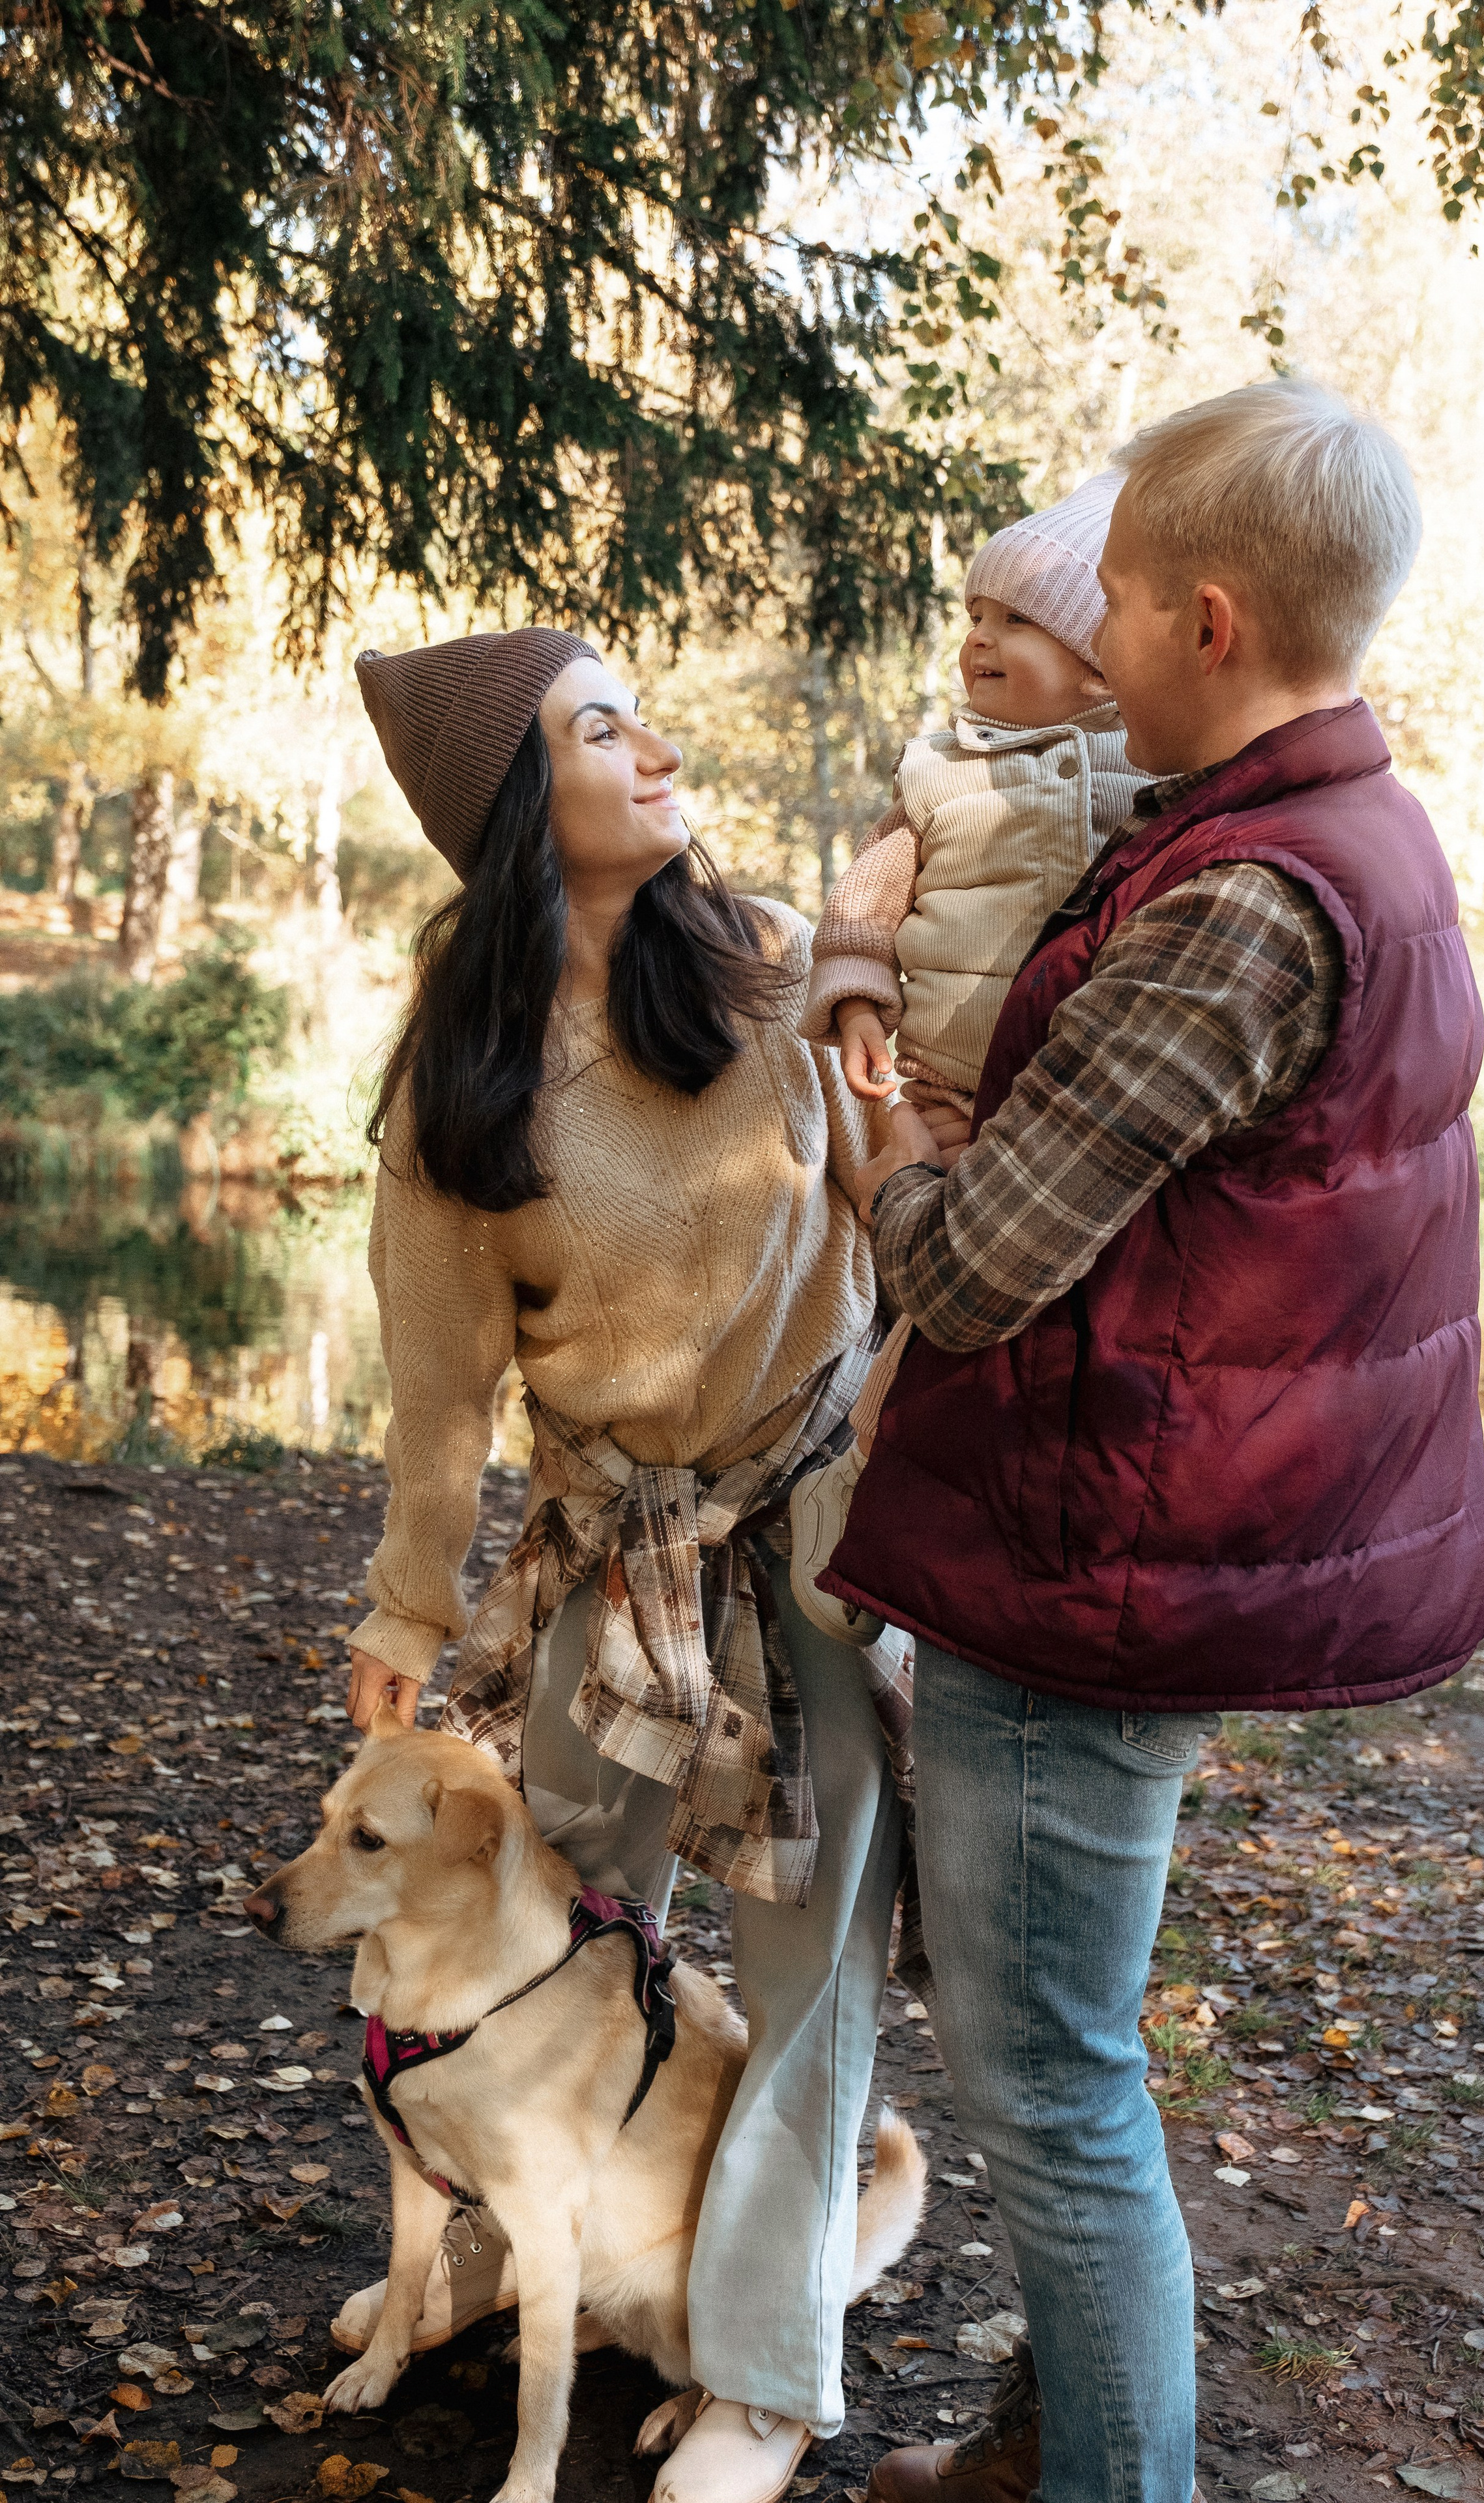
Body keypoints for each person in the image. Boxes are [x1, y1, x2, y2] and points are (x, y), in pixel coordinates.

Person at [822, 381, 1484, 2503]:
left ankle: (1114, 2481)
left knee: (1047, 2078)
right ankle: (1061, 2441)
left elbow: (974, 1270)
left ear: (1208, 617)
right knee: (1058, 2052)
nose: (1079, 635)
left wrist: (881, 1133)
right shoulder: (1327, 832)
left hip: (1099, 1557)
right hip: (1164, 1527)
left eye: (1105, 594)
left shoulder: (1242, 901)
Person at [338, 625, 911, 2503]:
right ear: (520, 809)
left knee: (802, 1958)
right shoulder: (463, 1090)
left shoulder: (752, 975)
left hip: (816, 1535)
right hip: (616, 1551)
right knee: (558, 1913)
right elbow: (440, 1398)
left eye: (641, 710)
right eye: (603, 729)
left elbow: (887, 1231)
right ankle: (521, 2238)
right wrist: (407, 1610)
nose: (657, 746)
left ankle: (760, 2370)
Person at [789, 473, 1147, 1639]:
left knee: (1022, 1309)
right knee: (927, 1302)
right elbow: (868, 897)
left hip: (1061, 1098)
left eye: (1017, 621)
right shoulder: (940, 767)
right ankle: (862, 1488)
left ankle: (923, 1494)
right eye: (975, 619)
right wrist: (853, 1004)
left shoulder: (1143, 773)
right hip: (941, 1082)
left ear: (1099, 659)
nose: (979, 640)